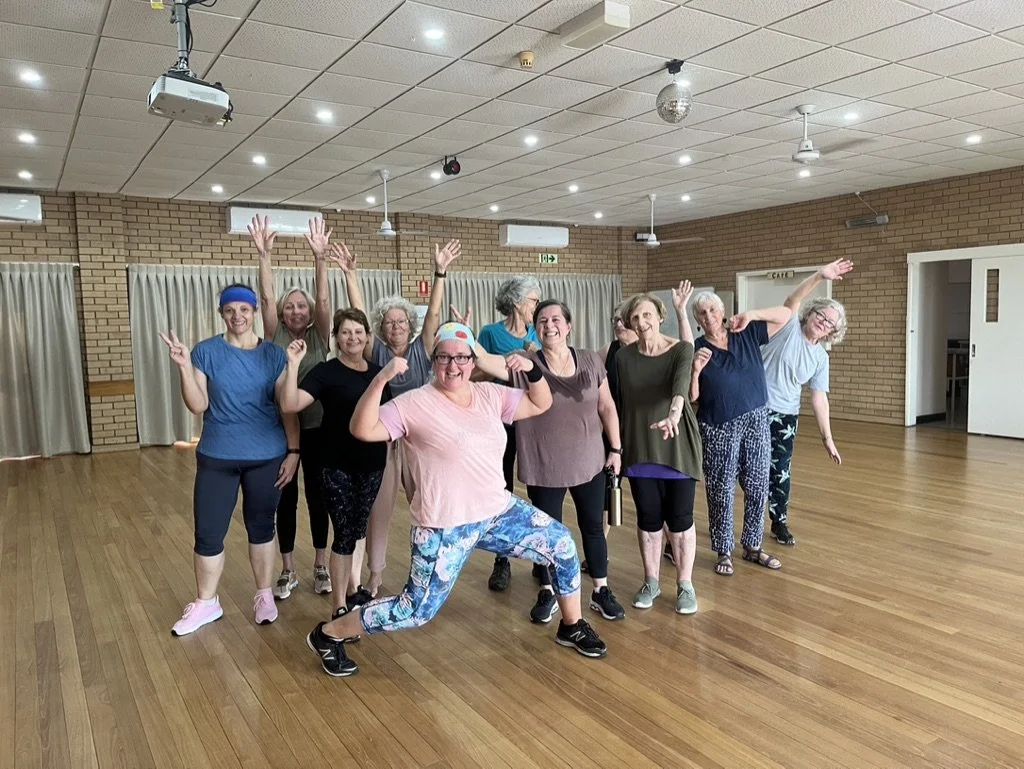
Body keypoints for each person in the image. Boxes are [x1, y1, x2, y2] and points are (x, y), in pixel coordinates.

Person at [305, 323, 608, 677]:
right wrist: (380, 380)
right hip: (444, 524)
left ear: (471, 359)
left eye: (461, 357)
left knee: (561, 545)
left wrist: (533, 371)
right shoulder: (414, 403)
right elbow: (362, 429)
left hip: (497, 512)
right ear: (434, 361)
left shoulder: (489, 394)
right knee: (414, 610)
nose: (453, 365)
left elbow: (541, 402)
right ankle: (328, 634)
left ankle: (571, 625)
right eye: (445, 357)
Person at [159, 284, 300, 636]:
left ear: (254, 312)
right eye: (230, 310)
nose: (237, 316)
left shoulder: (274, 355)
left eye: (244, 310)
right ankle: (207, 602)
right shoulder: (205, 352)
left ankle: (264, 594)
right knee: (208, 532)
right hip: (217, 456)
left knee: (261, 527)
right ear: (221, 313)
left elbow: (287, 406)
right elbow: (198, 405)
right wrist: (182, 366)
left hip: (266, 456)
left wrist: (294, 452)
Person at [474, 300, 626, 623]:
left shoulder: (589, 360)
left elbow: (607, 406)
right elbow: (487, 363)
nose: (549, 324)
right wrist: (467, 336)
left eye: (556, 319)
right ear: (536, 329)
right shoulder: (526, 363)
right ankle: (547, 590)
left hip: (589, 461)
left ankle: (600, 590)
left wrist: (615, 449)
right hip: (544, 464)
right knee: (544, 534)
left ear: (568, 326)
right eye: (542, 320)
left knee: (593, 529)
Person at [330, 237, 462, 599]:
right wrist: (350, 275)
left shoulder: (423, 348)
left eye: (402, 321)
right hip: (387, 441)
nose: (396, 326)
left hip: (421, 438)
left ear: (411, 324)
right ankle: (374, 576)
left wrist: (440, 272)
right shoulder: (378, 353)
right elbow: (357, 311)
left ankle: (433, 571)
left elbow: (434, 314)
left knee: (430, 507)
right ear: (381, 328)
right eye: (389, 322)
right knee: (379, 511)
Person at [279, 308, 391, 624]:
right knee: (343, 532)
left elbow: (393, 417)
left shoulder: (379, 373)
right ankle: (339, 604)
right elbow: (289, 404)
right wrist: (293, 365)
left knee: (356, 529)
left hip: (372, 464)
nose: (352, 337)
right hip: (334, 464)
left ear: (368, 337)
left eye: (358, 332)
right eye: (345, 332)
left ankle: (351, 592)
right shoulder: (325, 372)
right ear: (337, 338)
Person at [250, 215, 333, 600]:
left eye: (302, 305)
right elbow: (266, 297)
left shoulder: (320, 335)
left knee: (318, 497)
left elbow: (327, 300)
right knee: (285, 498)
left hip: (318, 430)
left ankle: (320, 564)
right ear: (282, 314)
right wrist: (264, 254)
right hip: (279, 431)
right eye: (290, 306)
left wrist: (320, 259)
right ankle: (287, 569)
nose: (296, 311)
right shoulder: (275, 335)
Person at [616, 285, 703, 614]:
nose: (641, 321)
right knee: (649, 520)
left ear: (660, 317)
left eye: (647, 314)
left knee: (680, 520)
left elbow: (680, 386)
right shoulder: (623, 357)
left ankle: (685, 584)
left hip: (676, 444)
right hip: (640, 446)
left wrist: (673, 414)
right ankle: (651, 581)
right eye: (635, 316)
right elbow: (617, 401)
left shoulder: (680, 349)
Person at [691, 292, 792, 576]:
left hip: (757, 418)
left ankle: (753, 547)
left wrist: (752, 314)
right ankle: (724, 550)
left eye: (712, 309)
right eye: (701, 313)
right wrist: (696, 370)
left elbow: (787, 315)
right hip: (718, 425)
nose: (708, 315)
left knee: (758, 484)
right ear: (697, 319)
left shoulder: (744, 332)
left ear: (722, 310)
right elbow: (692, 397)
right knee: (721, 489)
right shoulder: (696, 348)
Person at [761, 260, 852, 545]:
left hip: (786, 416)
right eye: (821, 316)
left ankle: (779, 522)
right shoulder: (788, 327)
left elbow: (819, 397)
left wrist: (828, 438)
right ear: (811, 313)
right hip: (754, 408)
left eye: (829, 324)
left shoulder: (820, 358)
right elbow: (792, 300)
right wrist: (819, 276)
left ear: (832, 333)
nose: (823, 323)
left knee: (780, 472)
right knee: (749, 470)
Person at [476, 275, 542, 593]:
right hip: (499, 421)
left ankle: (541, 556)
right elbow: (473, 372)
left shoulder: (539, 333)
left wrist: (534, 352)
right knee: (501, 487)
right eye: (533, 300)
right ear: (517, 302)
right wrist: (501, 363)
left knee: (539, 488)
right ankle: (501, 561)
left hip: (533, 421)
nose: (537, 306)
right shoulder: (490, 333)